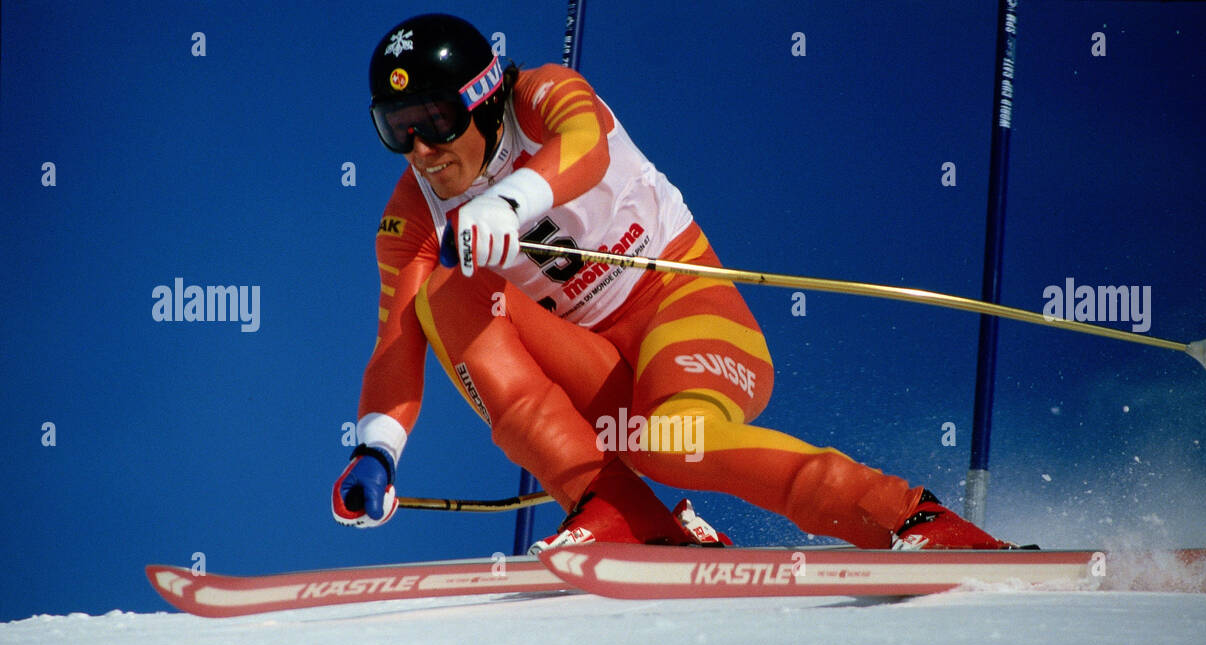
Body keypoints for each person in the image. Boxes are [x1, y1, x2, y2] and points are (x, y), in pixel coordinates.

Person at [332, 13, 1014, 553]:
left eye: (437, 122)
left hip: (683, 312)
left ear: (482, 101)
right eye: (398, 130)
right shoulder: (412, 214)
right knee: (444, 294)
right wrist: (375, 451)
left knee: (671, 438)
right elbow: (396, 339)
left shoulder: (540, 94)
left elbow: (587, 146)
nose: (423, 149)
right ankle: (620, 512)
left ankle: (907, 514)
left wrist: (508, 203)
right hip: (599, 371)